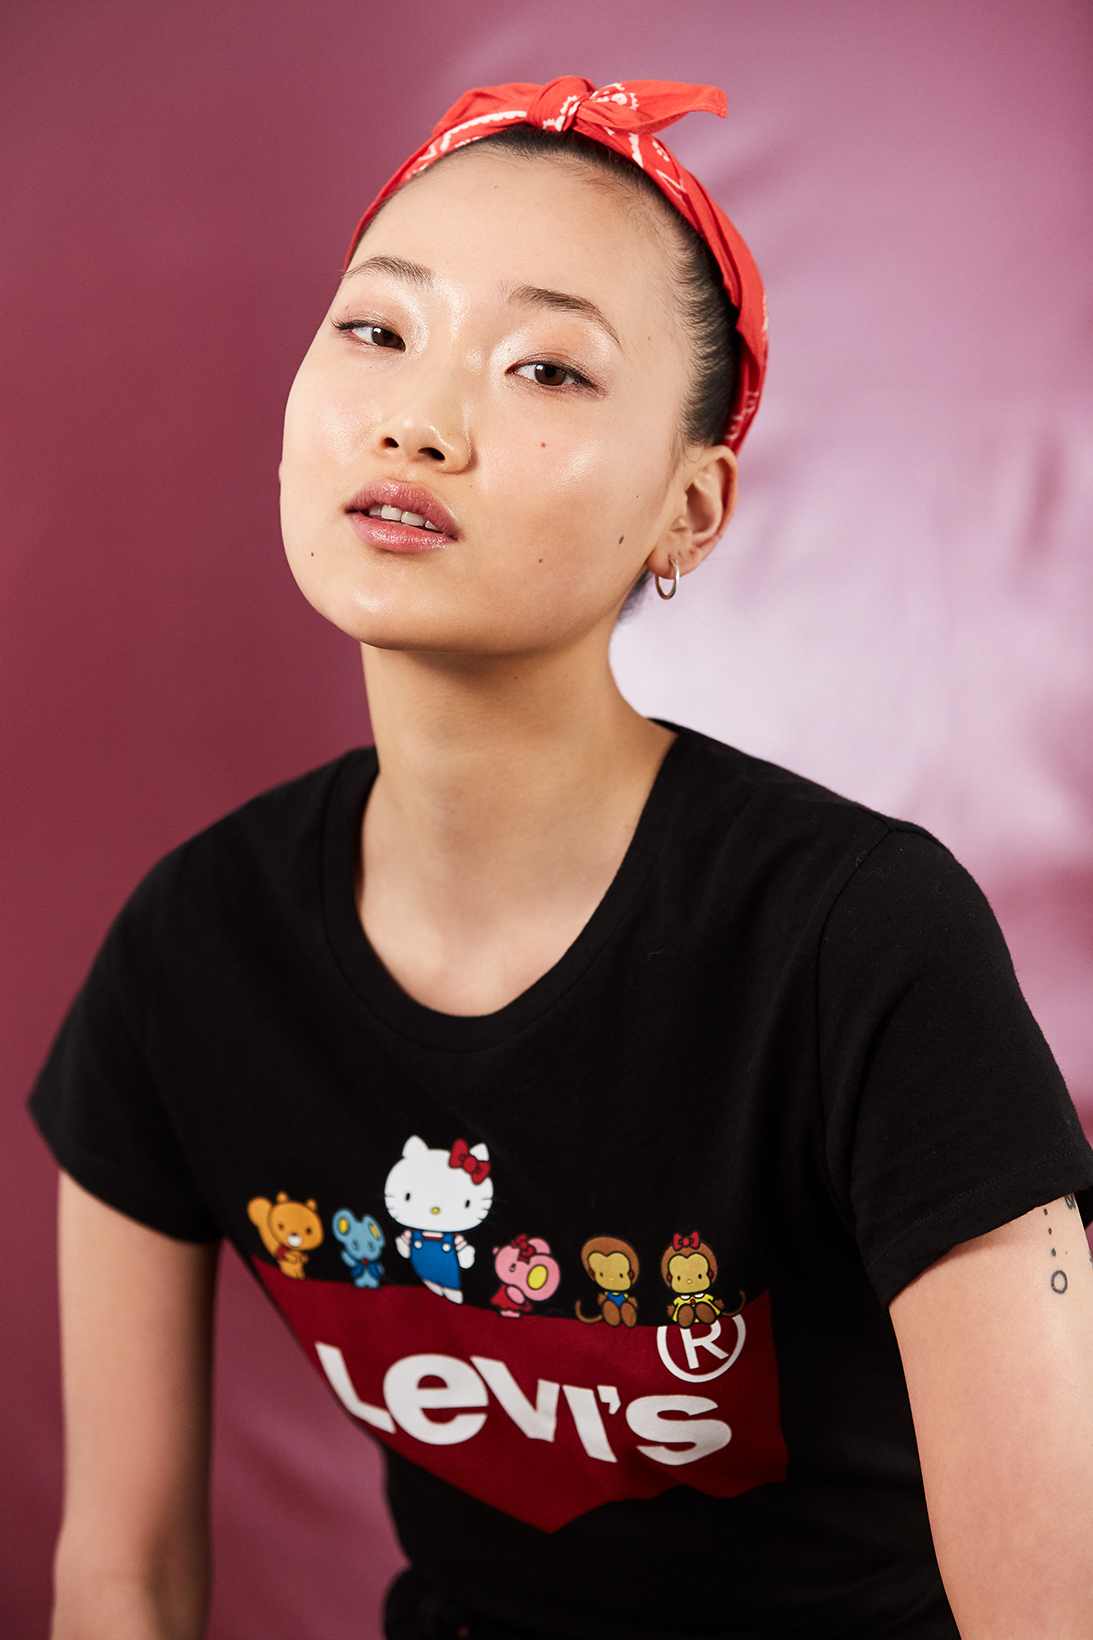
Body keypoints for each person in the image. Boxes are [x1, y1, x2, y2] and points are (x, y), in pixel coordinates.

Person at [30, 75, 1093, 1640]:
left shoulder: (856, 943)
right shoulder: (192, 954)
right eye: (376, 330)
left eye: (544, 367)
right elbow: (122, 1576)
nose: (417, 419)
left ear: (689, 509)